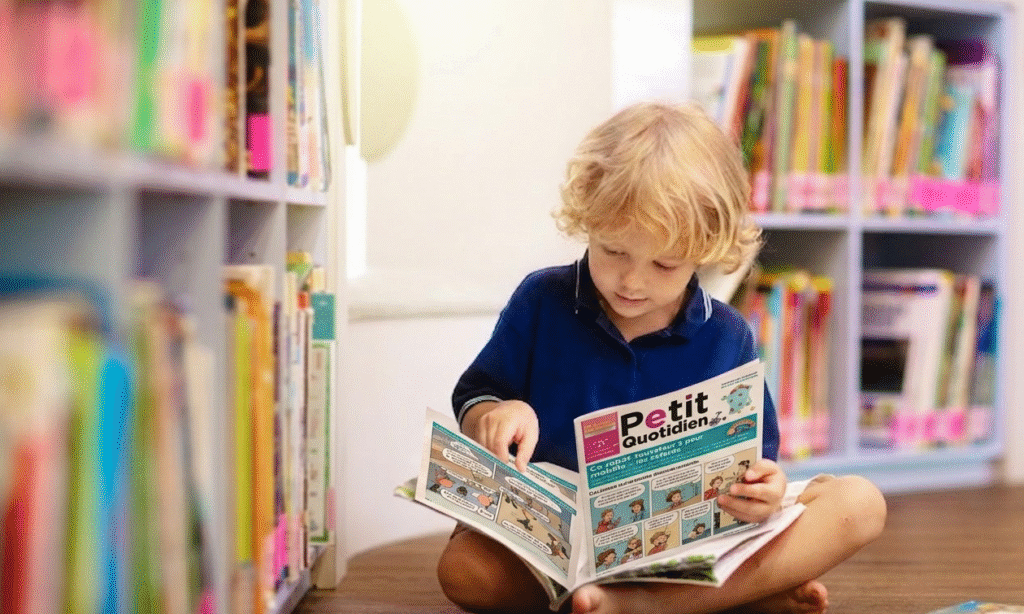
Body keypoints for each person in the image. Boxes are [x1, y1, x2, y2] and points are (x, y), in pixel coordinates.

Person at [436, 101, 887, 614]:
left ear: (706, 249)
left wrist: (765, 488)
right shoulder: (541, 300)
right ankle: (731, 598)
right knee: (463, 571)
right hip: (563, 541)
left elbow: (758, 461)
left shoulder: (727, 335)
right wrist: (495, 414)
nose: (632, 281)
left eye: (665, 264)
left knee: (860, 505)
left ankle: (643, 604)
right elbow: (476, 395)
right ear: (588, 220)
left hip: (691, 543)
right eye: (613, 251)